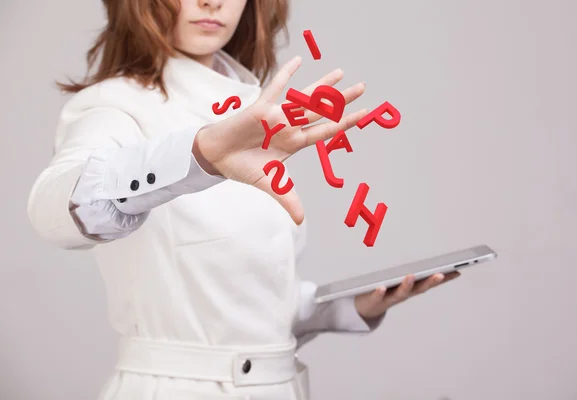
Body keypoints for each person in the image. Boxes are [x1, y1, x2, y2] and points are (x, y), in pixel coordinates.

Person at [27, 0, 459, 399]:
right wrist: (199, 154)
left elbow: (242, 303)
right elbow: (53, 209)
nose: (212, 1)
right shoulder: (114, 105)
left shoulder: (257, 109)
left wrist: (349, 307)